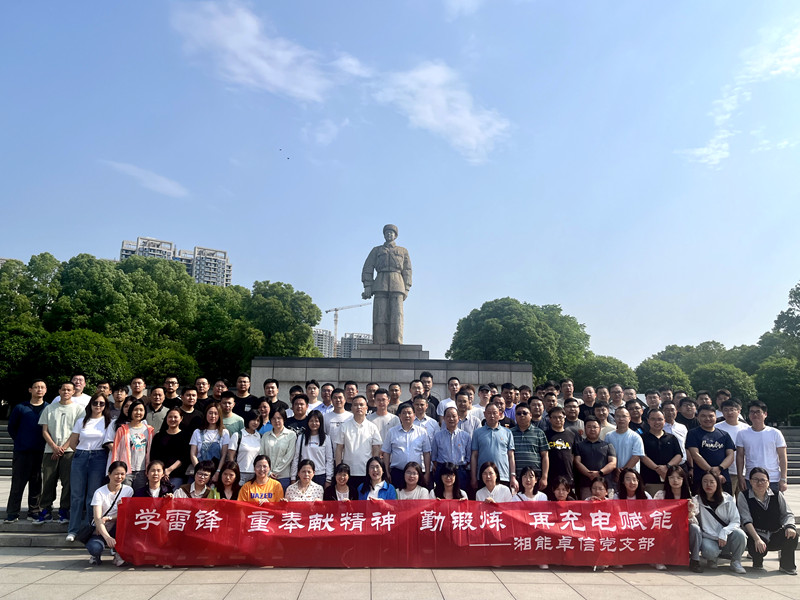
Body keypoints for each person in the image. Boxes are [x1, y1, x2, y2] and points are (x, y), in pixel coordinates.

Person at [65, 393, 112, 542]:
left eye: (101, 404)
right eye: (95, 403)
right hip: (81, 456)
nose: (98, 406)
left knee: (92, 496)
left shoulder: (109, 422)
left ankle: (88, 528)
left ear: (105, 406)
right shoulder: (81, 421)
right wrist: (82, 452)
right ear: (90, 404)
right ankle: (73, 530)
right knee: (77, 495)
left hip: (99, 457)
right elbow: (73, 443)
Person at [37, 381, 84, 525]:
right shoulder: (49, 408)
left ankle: (64, 510)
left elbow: (77, 432)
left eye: (69, 390)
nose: (66, 392)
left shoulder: (79, 409)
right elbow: (44, 430)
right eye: (64, 389)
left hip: (69, 451)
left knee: (68, 483)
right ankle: (45, 510)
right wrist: (54, 446)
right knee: (48, 481)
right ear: (59, 391)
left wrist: (63, 447)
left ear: (73, 392)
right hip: (50, 451)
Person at [737, 467, 797, 575]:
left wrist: (789, 526)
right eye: (755, 480)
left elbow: (787, 514)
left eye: (763, 480)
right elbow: (746, 519)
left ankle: (786, 566)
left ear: (768, 482)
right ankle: (757, 561)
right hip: (756, 534)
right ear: (750, 481)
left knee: (793, 535)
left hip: (774, 533)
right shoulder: (743, 496)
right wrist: (757, 539)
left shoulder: (777, 495)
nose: (759, 483)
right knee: (757, 549)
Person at [5, 379, 48, 523]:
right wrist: (20, 441)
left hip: (41, 451)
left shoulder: (48, 408)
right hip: (22, 451)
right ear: (30, 390)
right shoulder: (20, 407)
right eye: (36, 387)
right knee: (18, 483)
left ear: (46, 390)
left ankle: (34, 511)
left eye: (42, 387)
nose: (39, 390)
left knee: (36, 483)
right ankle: (12, 512)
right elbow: (12, 428)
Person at [361, 223, 412, 345]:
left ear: (395, 236)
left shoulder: (403, 251)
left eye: (391, 232)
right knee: (380, 315)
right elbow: (367, 268)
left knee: (397, 315)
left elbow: (408, 270)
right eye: (387, 232)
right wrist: (368, 285)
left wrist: (407, 287)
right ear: (384, 235)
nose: (389, 234)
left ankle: (396, 341)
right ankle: (379, 341)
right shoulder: (376, 250)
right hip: (380, 283)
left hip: (398, 284)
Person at [695, 471, 747, 573]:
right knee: (710, 551)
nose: (708, 485)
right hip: (708, 537)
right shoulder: (697, 500)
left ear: (717, 484)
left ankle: (736, 561)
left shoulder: (727, 499)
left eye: (711, 482)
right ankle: (712, 559)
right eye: (705, 482)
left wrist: (725, 531)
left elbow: (736, 521)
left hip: (726, 536)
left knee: (740, 535)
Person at [655, 465, 703, 572]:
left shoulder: (691, 498)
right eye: (671, 477)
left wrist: (689, 511)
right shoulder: (661, 495)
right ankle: (660, 558)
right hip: (667, 528)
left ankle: (695, 560)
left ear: (683, 479)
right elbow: (655, 515)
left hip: (684, 528)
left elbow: (692, 519)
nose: (675, 480)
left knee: (695, 529)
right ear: (667, 479)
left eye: (678, 478)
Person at [86, 461, 134, 566]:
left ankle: (118, 553)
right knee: (95, 548)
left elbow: (127, 515)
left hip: (117, 527)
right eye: (116, 474)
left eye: (122, 474)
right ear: (109, 474)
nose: (119, 477)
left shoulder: (128, 490)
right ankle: (96, 555)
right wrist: (107, 537)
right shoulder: (99, 492)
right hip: (100, 529)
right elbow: (98, 518)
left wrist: (109, 518)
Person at [736, 400, 788, 494]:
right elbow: (740, 456)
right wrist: (740, 477)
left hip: (772, 479)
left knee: (774, 508)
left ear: (765, 414)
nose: (755, 414)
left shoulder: (775, 433)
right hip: (751, 479)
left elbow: (782, 457)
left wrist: (783, 479)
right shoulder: (742, 433)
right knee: (752, 507)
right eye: (752, 412)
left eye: (758, 412)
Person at [334, 395, 382, 490]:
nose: (359, 407)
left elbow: (376, 448)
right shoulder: (344, 426)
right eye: (355, 405)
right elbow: (339, 449)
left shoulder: (372, 427)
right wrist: (338, 470)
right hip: (348, 472)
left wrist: (373, 468)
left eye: (361, 405)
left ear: (366, 408)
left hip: (367, 472)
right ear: (351, 408)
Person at [381, 404, 432, 491]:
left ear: (414, 415)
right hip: (398, 472)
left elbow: (426, 453)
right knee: (398, 499)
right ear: (399, 416)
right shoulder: (392, 432)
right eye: (404, 413)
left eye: (409, 413)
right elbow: (386, 453)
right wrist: (386, 472)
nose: (407, 415)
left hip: (416, 473)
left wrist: (427, 472)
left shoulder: (422, 432)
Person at [687, 405, 735, 494]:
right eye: (703, 416)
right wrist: (712, 472)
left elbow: (731, 455)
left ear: (715, 417)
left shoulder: (724, 435)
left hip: (723, 478)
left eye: (711, 416)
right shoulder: (693, 433)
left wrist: (720, 468)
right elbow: (695, 455)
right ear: (697, 417)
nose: (707, 418)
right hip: (702, 478)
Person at [107, 399, 154, 490]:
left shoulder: (149, 430)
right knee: (125, 497)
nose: (138, 412)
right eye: (135, 410)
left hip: (142, 470)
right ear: (131, 412)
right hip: (125, 470)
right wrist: (115, 469)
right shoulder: (122, 430)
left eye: (141, 410)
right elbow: (116, 451)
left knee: (139, 498)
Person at [471, 404, 516, 493]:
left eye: (494, 413)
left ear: (499, 414)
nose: (492, 416)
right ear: (484, 414)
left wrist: (512, 476)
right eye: (489, 413)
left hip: (503, 476)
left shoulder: (507, 432)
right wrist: (473, 477)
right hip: (483, 476)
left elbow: (511, 456)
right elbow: (474, 456)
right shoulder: (477, 432)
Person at [639, 409, 683, 497]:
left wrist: (667, 467)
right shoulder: (642, 438)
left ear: (664, 421)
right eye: (653, 419)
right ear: (648, 421)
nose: (657, 422)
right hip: (649, 479)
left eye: (660, 419)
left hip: (670, 479)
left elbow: (679, 455)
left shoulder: (671, 438)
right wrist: (658, 469)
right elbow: (642, 456)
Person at [573, 417, 617, 500]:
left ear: (600, 429)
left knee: (607, 510)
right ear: (585, 429)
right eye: (589, 427)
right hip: (586, 484)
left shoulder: (608, 445)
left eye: (595, 427)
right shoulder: (579, 445)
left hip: (606, 485)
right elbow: (577, 462)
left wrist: (599, 473)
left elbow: (613, 463)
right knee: (587, 510)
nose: (592, 429)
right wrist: (589, 474)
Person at [189, 402, 231, 485]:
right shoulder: (197, 432)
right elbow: (193, 454)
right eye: (210, 413)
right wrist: (199, 471)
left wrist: (218, 472)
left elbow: (224, 455)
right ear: (206, 414)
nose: (213, 416)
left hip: (216, 472)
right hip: (199, 471)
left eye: (216, 413)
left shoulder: (224, 433)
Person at [510, 403, 549, 490]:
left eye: (525, 413)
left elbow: (545, 456)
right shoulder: (509, 433)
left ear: (531, 415)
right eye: (518, 413)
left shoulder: (539, 433)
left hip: (535, 478)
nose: (522, 415)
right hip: (516, 479)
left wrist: (544, 477)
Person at [431, 406, 471, 490]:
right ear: (444, 419)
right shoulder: (438, 436)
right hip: (442, 470)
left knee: (460, 495)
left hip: (460, 471)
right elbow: (434, 457)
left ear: (458, 418)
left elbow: (468, 457)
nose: (451, 419)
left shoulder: (465, 436)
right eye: (448, 416)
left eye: (453, 416)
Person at [150, 407, 190, 490]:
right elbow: (154, 456)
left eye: (175, 417)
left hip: (177, 475)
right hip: (159, 474)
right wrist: (162, 471)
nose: (172, 419)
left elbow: (184, 457)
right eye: (170, 417)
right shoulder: (158, 436)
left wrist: (169, 470)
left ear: (181, 418)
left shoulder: (186, 436)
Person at [292, 410, 333, 487]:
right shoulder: (301, 438)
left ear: (321, 423)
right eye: (311, 421)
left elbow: (329, 460)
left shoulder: (326, 438)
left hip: (320, 475)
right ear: (307, 422)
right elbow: (296, 458)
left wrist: (328, 478)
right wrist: (293, 477)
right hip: (304, 474)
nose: (314, 423)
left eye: (317, 421)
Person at [259, 407, 297, 490]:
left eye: (279, 418)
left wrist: (275, 471)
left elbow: (289, 456)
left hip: (284, 476)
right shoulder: (265, 436)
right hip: (267, 476)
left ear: (284, 419)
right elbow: (261, 454)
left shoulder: (291, 435)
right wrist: (269, 472)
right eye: (273, 418)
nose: (276, 421)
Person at [227, 410, 262, 485]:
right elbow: (231, 458)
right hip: (240, 473)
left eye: (258, 420)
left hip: (255, 474)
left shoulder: (260, 436)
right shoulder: (237, 435)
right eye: (253, 419)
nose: (255, 422)